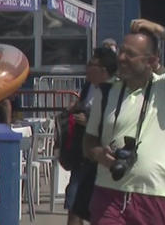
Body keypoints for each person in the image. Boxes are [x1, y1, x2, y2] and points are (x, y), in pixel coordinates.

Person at [83, 19, 165, 225]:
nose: (121, 58)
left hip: (153, 195)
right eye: (121, 51)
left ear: (151, 60)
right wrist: (99, 155)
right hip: (109, 192)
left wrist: (159, 30)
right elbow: (89, 142)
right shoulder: (106, 91)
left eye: (130, 54)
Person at [65, 47, 117, 225]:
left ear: (103, 70)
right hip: (83, 156)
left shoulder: (116, 91)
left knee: (98, 212)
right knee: (74, 206)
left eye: (91, 65)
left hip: (103, 160)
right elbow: (81, 105)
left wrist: (88, 122)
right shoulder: (89, 86)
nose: (86, 69)